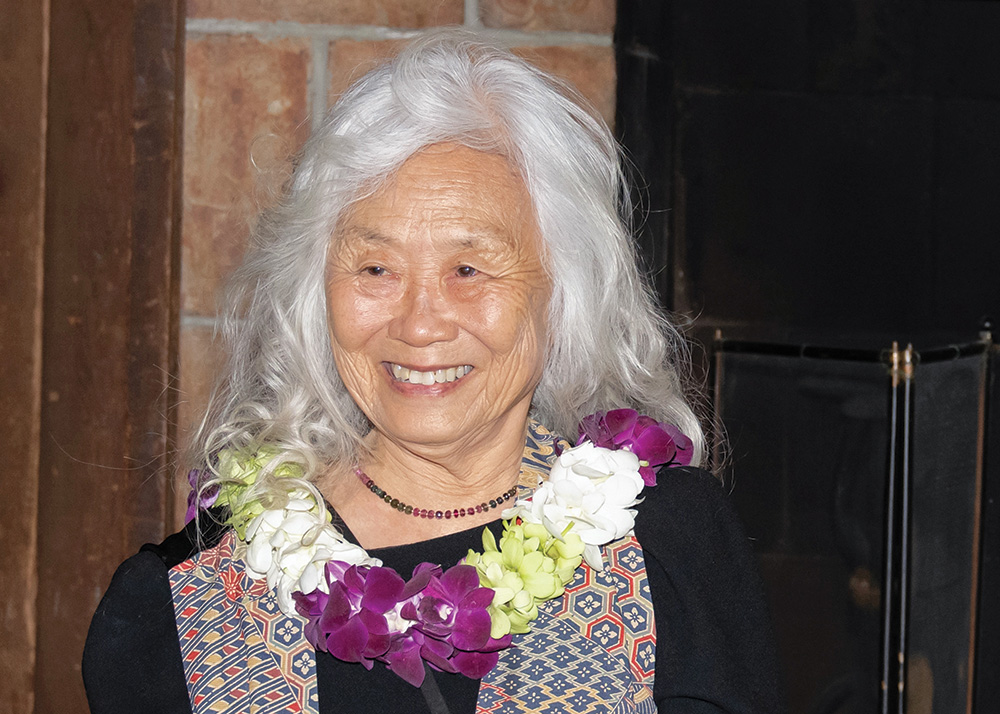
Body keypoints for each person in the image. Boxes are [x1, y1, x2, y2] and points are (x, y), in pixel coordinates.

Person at [83, 31, 785, 713]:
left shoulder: (667, 551)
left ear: (560, 290)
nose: (420, 325)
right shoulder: (182, 605)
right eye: (376, 268)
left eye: (469, 269)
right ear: (315, 292)